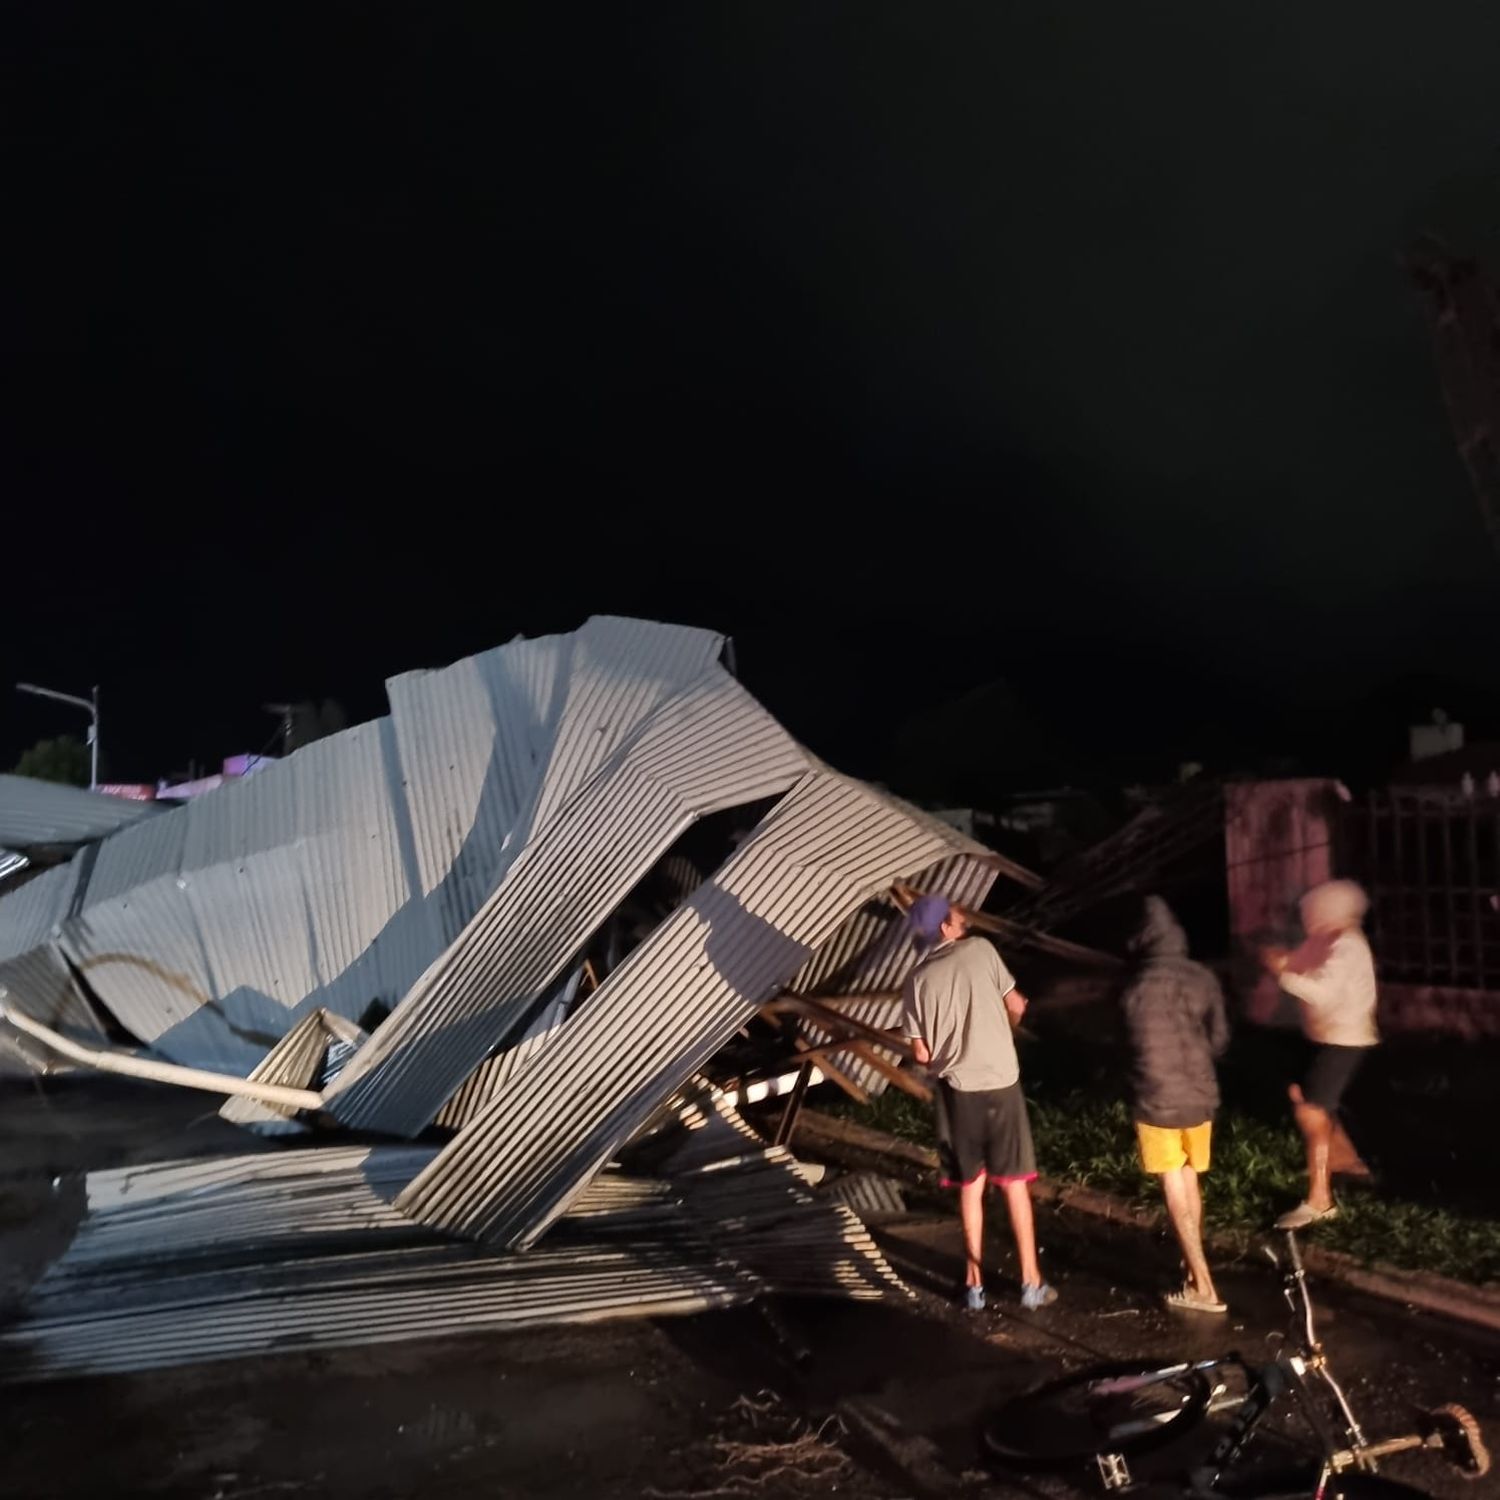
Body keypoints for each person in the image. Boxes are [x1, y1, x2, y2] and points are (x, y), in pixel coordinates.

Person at [900, 893, 1057, 1312]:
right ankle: (1031, 1283)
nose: (964, 919)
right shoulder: (982, 950)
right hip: (1002, 1083)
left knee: (971, 1186)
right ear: (945, 929)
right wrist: (1000, 1028)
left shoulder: (915, 980)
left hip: (958, 1091)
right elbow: (1016, 1005)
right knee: (1015, 1184)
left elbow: (920, 1054)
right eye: (956, 917)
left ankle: (974, 1287)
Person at [1120, 895, 1231, 1314]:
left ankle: (1203, 1286)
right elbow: (1219, 1040)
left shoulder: (1135, 985)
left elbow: (1127, 1045)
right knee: (1190, 1181)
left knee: (1174, 1186)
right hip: (1201, 1096)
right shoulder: (1202, 977)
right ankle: (1192, 1269)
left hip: (1155, 1099)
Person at [1261, 879, 1379, 1230]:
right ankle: (1346, 1162)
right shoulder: (1330, 941)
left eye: (1313, 909)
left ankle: (1320, 1201)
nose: (1307, 916)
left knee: (1312, 1111)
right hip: (1325, 1037)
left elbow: (1322, 994)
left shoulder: (1346, 946)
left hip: (1342, 1041)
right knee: (1303, 1095)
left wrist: (1281, 972)